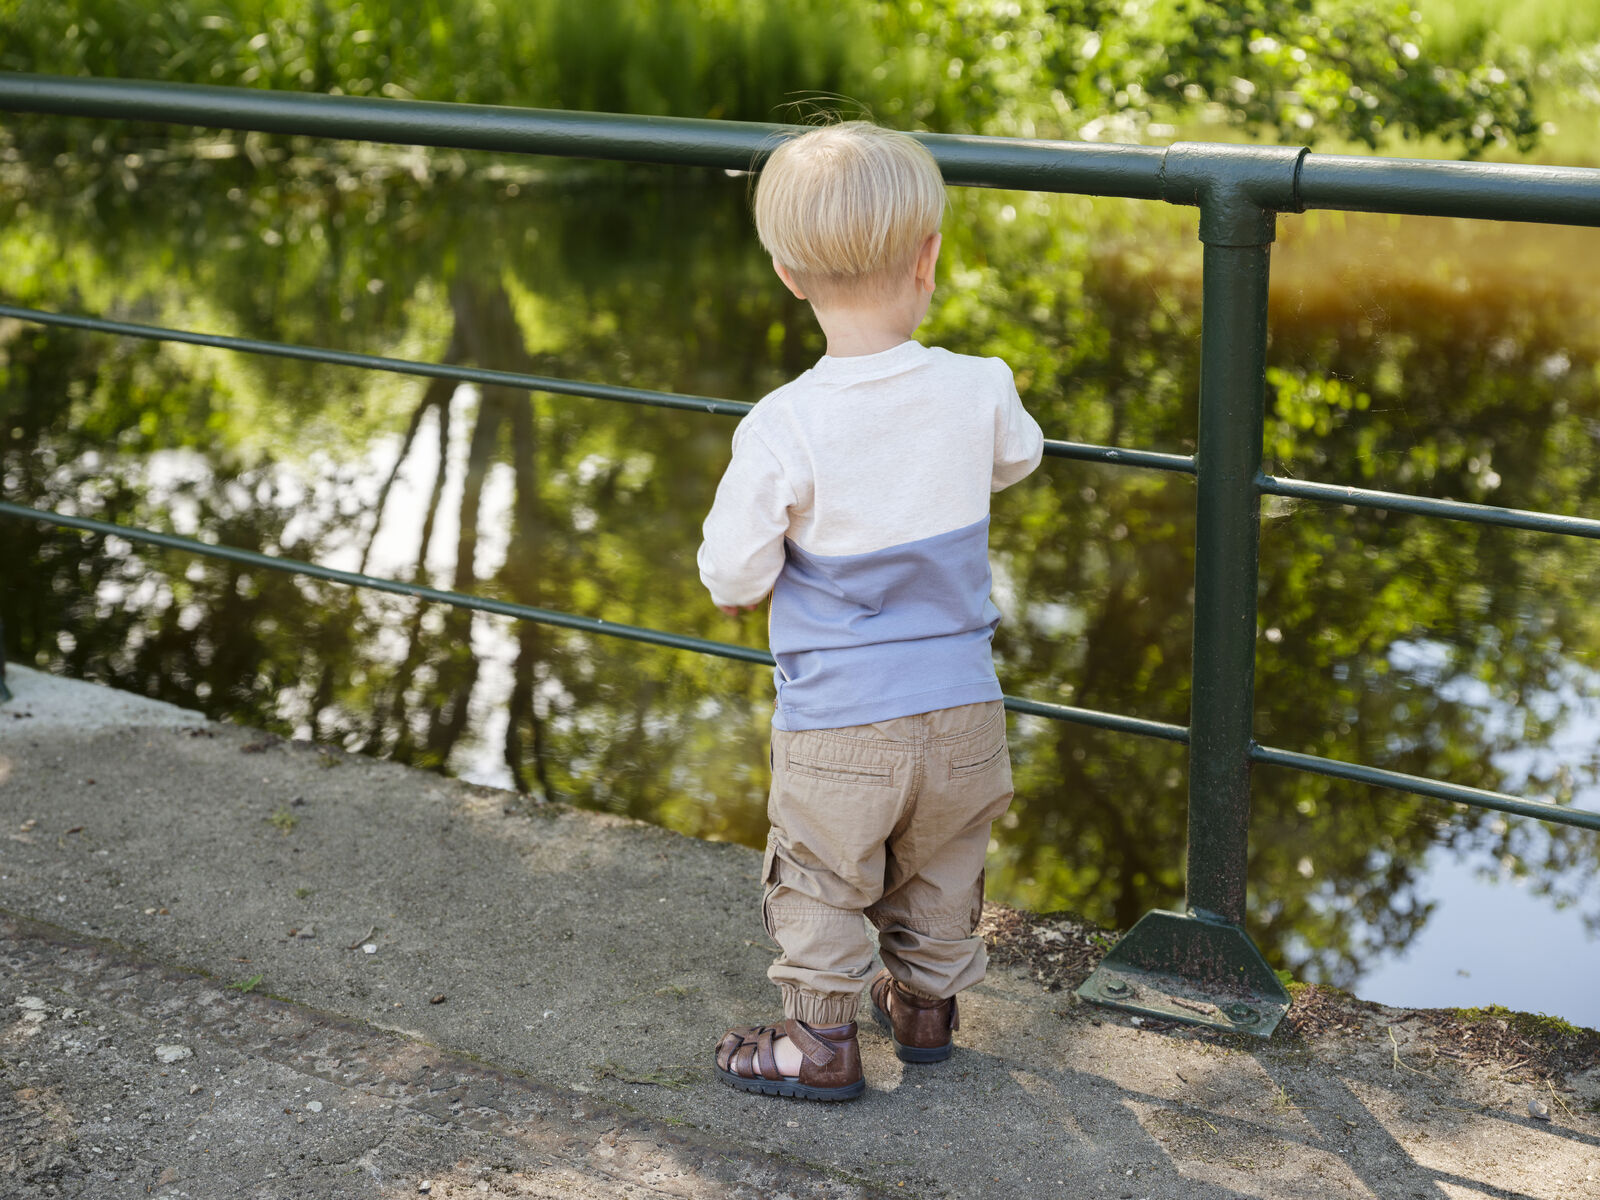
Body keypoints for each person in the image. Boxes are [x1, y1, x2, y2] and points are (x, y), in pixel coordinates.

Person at [697, 120, 1044, 1102]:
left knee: (818, 878)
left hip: (839, 725)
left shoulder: (784, 425)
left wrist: (755, 577)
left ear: (787, 275)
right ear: (928, 259)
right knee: (943, 868)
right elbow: (1018, 458)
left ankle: (818, 1043)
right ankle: (926, 1010)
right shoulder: (979, 385)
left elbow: (732, 571)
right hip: (965, 709)